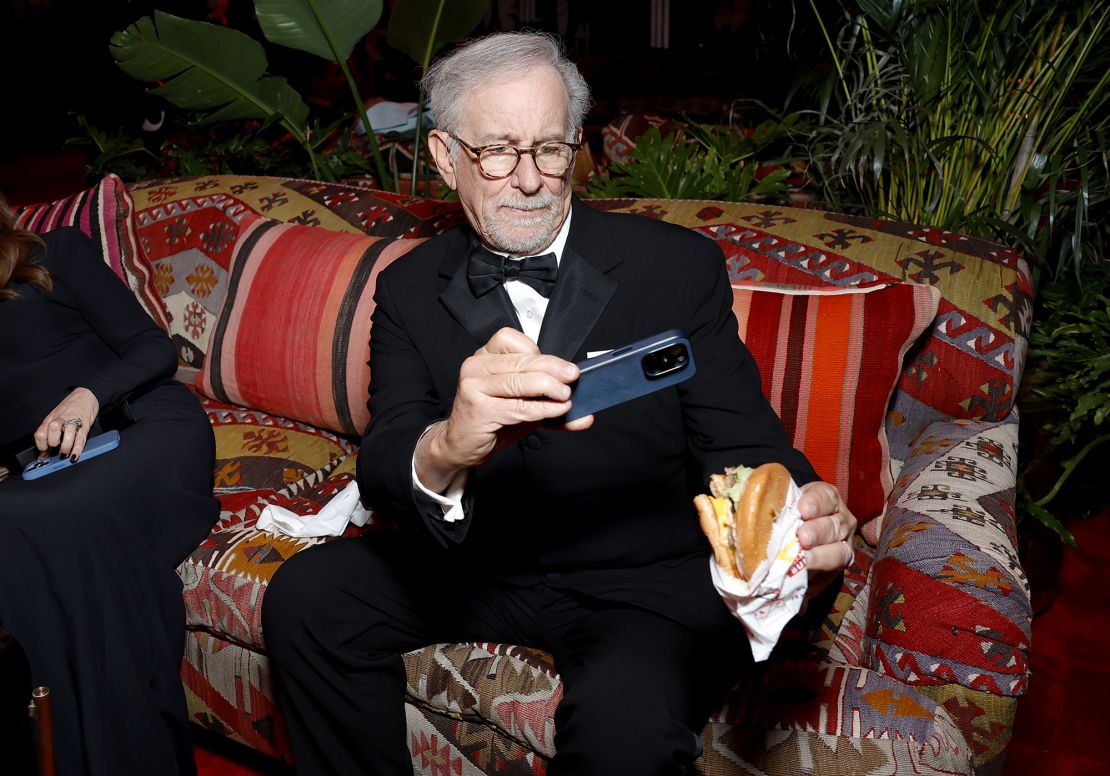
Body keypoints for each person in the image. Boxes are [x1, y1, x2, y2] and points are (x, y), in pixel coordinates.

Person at [263, 31, 857, 775]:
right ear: (446, 158)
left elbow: (741, 442)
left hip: (638, 583)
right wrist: (449, 444)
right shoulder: (410, 287)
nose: (531, 178)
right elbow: (387, 458)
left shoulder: (676, 266)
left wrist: (802, 508)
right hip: (478, 562)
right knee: (308, 599)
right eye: (499, 151)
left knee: (622, 731)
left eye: (551, 148)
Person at [0, 198, 219, 775]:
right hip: (46, 466)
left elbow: (153, 347)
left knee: (41, 520)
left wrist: (87, 394)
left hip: (141, 424)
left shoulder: (56, 252)